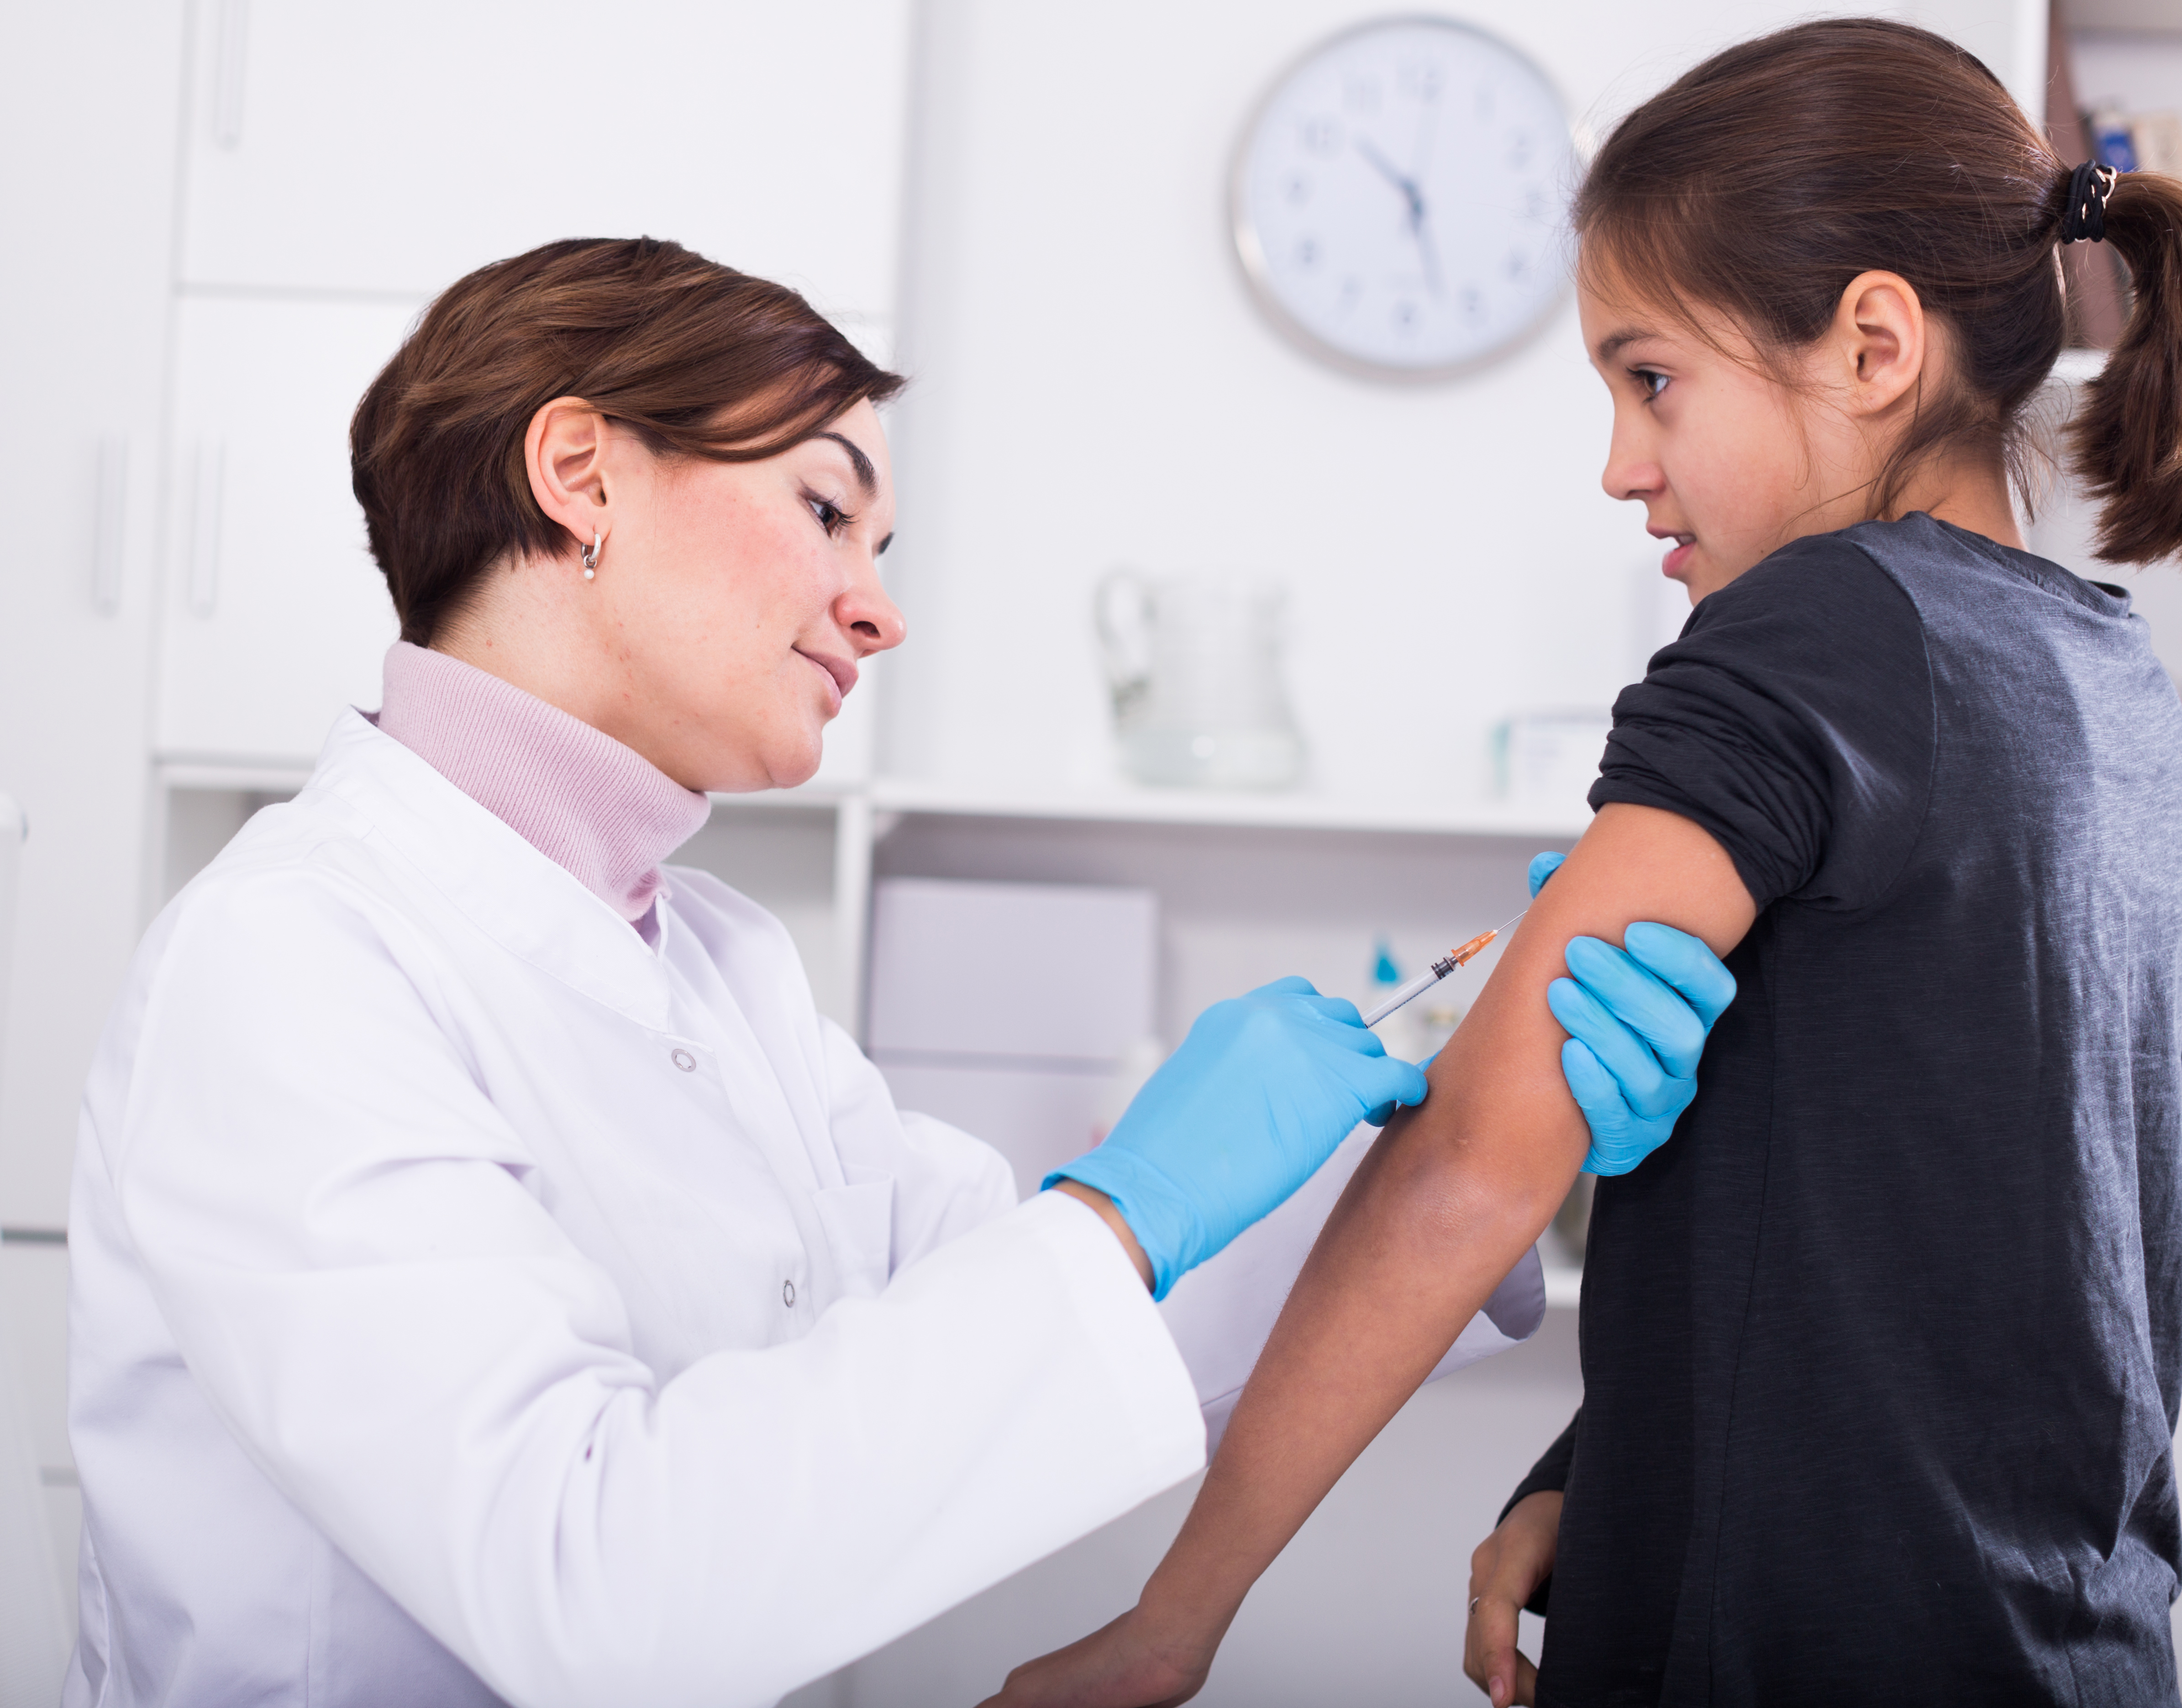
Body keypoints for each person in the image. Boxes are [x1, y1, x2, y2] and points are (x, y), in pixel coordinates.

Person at [60, 237, 1727, 1708]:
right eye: (824, 509)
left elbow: (1020, 1312)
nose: (879, 612)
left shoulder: (711, 963)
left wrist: (1479, 1126)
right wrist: (1139, 1197)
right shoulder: (291, 958)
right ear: (578, 473)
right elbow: (589, 1597)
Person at [986, 19, 2182, 1708]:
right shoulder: (2110, 678)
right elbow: (1999, 1235)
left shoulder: (1813, 628)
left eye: (1650, 379)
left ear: (1869, 346)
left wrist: (1168, 1626)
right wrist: (1599, 1466)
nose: (1620, 465)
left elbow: (1474, 1163)